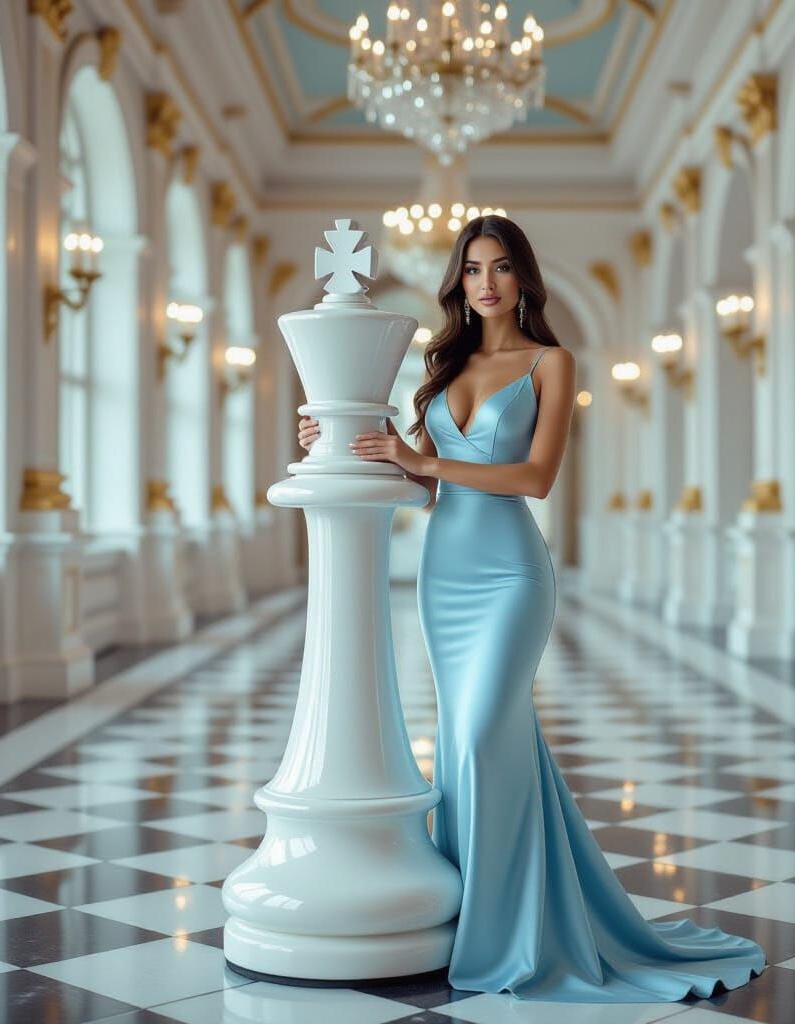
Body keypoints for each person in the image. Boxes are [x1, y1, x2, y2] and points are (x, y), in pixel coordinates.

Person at [297, 215, 767, 1003]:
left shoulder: (552, 362)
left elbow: (534, 479)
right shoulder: (440, 372)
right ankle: (482, 915)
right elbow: (424, 487)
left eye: (502, 267)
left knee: (482, 734)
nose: (486, 282)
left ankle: (507, 935)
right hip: (445, 575)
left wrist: (424, 458)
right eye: (474, 268)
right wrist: (336, 440)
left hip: (512, 574)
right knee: (470, 746)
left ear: (524, 279)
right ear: (460, 281)